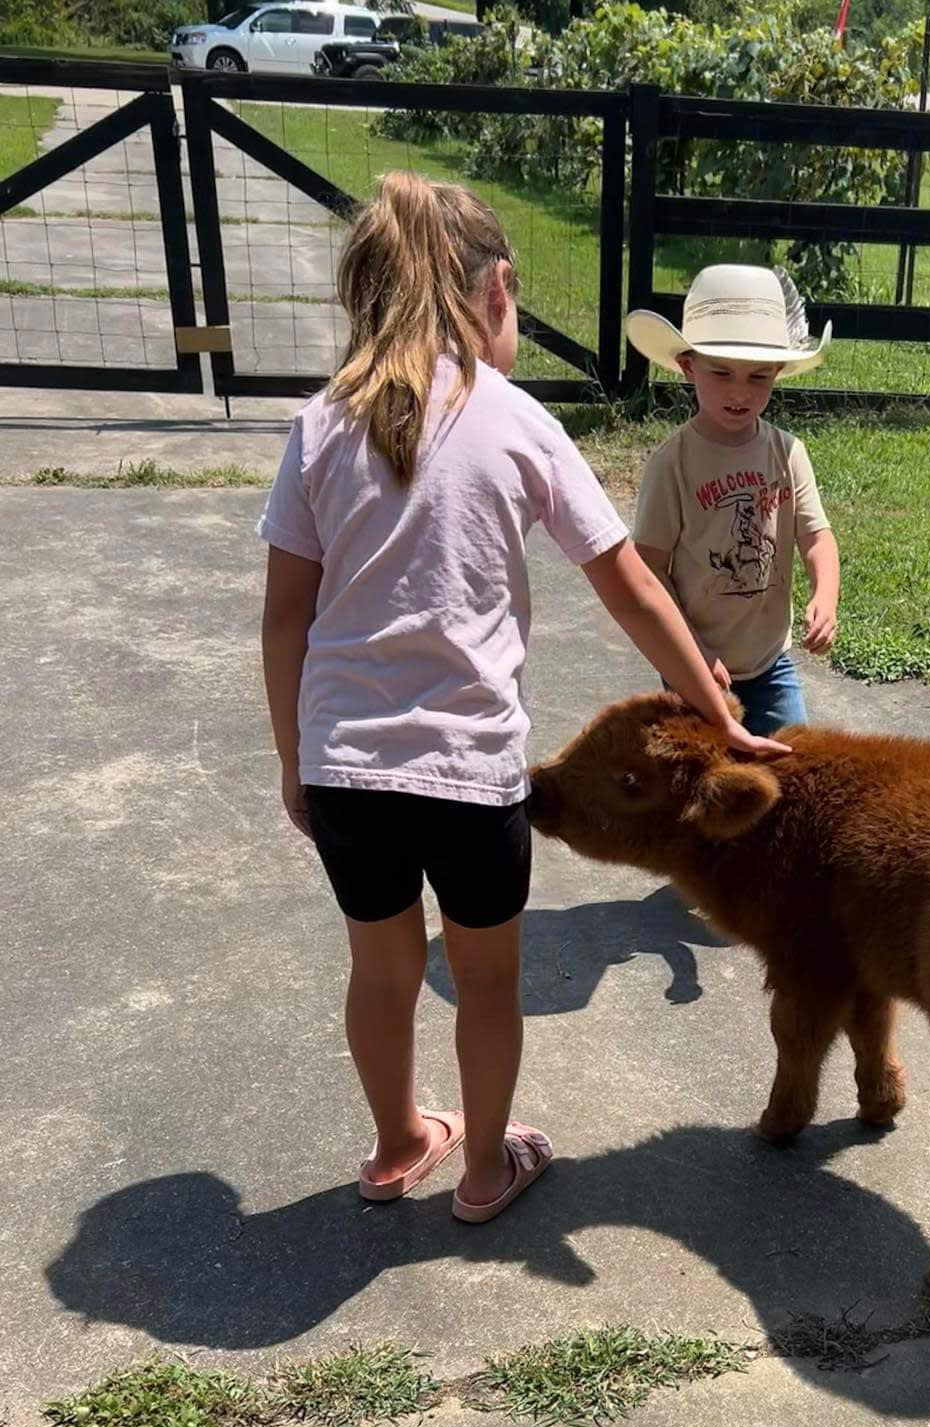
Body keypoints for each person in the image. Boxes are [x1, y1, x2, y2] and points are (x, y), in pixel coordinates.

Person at [258, 173, 785, 1224]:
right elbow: (631, 585)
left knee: (382, 969)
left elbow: (285, 618)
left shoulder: (321, 425)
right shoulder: (519, 421)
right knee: (487, 980)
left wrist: (293, 758)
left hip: (346, 767)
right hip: (470, 773)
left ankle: (398, 1141)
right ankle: (486, 1168)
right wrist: (719, 713)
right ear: (497, 293)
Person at [626, 264, 841, 737]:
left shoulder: (787, 452)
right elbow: (649, 569)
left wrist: (825, 595)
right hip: (695, 662)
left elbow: (816, 536)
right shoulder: (673, 464)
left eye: (758, 377)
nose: (739, 392)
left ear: (779, 371)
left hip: (771, 662)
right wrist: (693, 653)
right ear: (687, 365)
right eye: (721, 372)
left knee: (791, 770)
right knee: (702, 779)